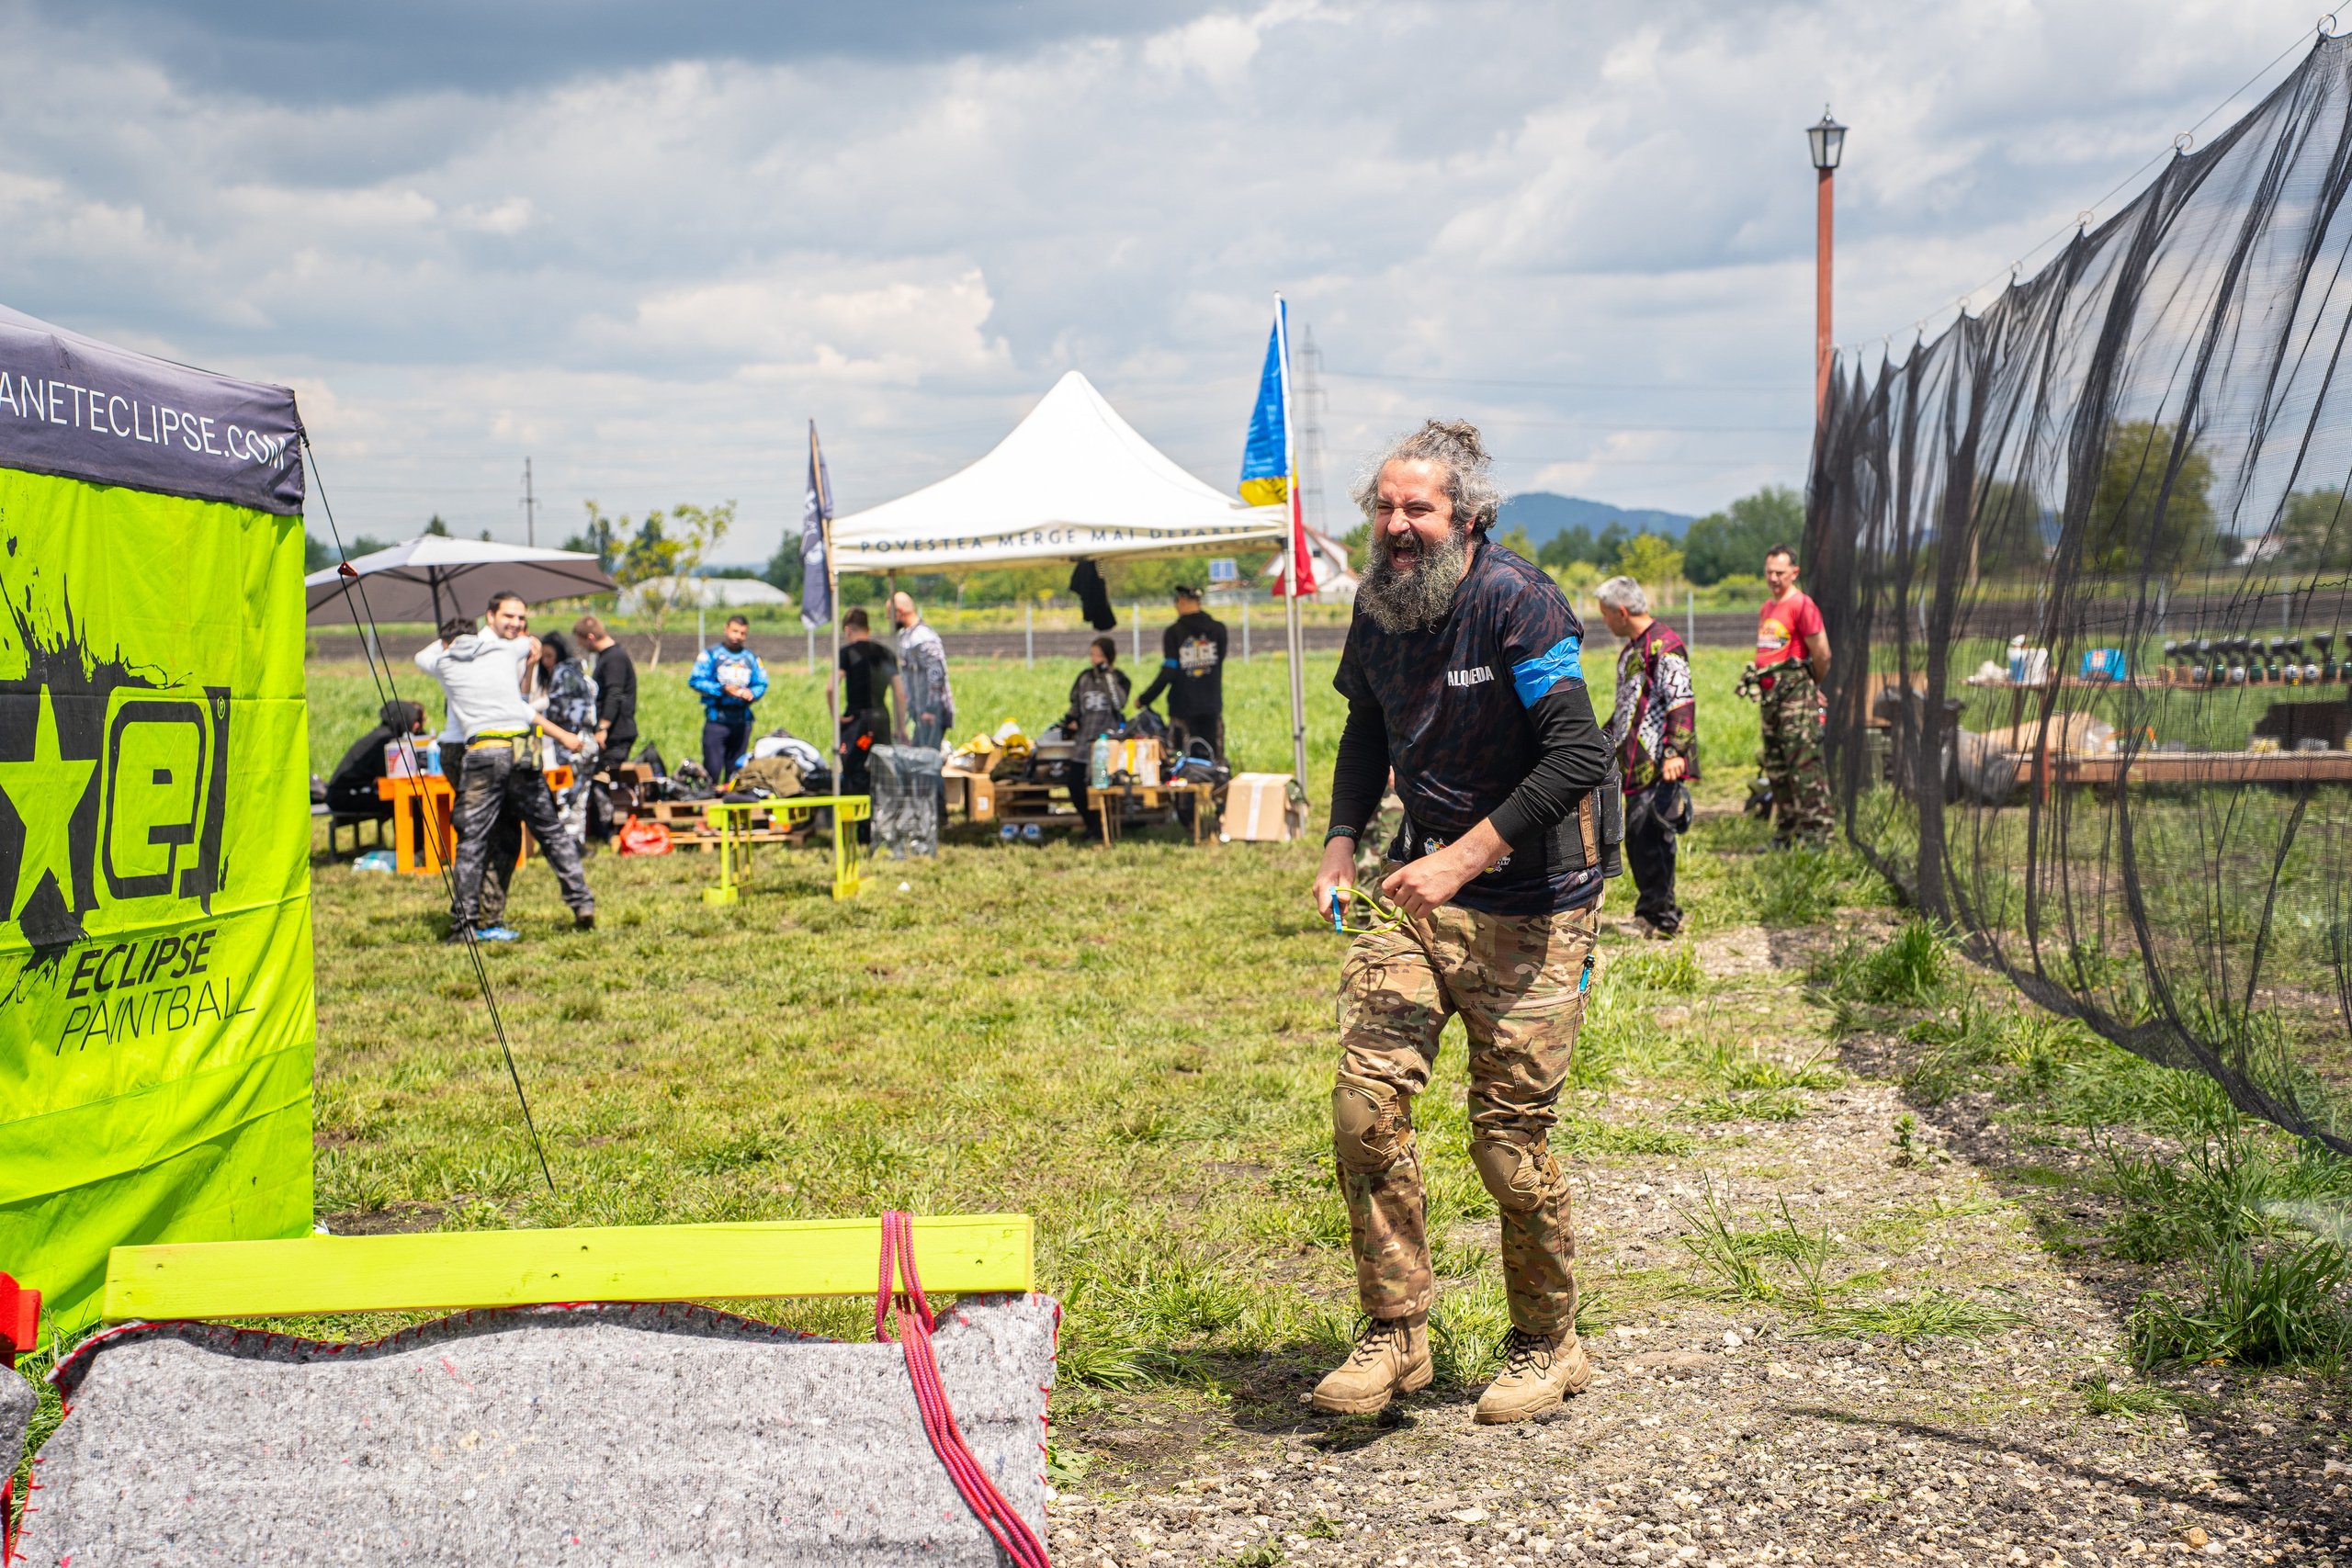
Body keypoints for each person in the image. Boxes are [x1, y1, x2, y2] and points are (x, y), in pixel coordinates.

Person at [1309, 419, 1613, 1427]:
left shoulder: (1517, 601)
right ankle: (1397, 1331)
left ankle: (1548, 1343)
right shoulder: (1379, 606)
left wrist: (1463, 857)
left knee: (1507, 1146)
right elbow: (1364, 728)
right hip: (1418, 899)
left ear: (1468, 518)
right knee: (1364, 1110)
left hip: (1535, 905)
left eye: (1420, 509)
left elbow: (1578, 755)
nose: (1398, 526)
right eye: (1384, 508)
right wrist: (1343, 839)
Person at [415, 595, 594, 943]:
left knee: (472, 840)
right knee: (550, 830)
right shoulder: (504, 650)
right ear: (488, 618)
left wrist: (448, 641)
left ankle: (465, 925)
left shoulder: (445, 662)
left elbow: (422, 657)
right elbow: (528, 649)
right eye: (510, 616)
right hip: (520, 746)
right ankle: (582, 900)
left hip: (483, 750)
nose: (516, 623)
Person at [1597, 576, 1697, 938]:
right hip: (1635, 764)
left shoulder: (1666, 645)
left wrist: (1674, 753)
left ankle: (1661, 919)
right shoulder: (1633, 649)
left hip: (1658, 765)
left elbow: (1681, 701)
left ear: (1622, 612)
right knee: (1639, 838)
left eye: (1606, 614)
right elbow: (1627, 708)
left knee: (1652, 838)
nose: (1604, 621)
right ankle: (1652, 913)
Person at [1751, 544, 1832, 848]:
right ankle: (1787, 833)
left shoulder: (1803, 605)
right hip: (1770, 700)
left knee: (1804, 767)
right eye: (1769, 572)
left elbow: (1822, 654)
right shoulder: (1767, 608)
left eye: (1780, 573)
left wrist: (1810, 686)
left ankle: (1818, 837)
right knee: (1777, 767)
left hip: (1795, 699)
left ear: (1794, 572)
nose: (1773, 578)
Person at [1135, 584, 1229, 759]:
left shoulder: (1174, 632)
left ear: (1182, 601)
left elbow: (1169, 671)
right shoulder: (1218, 630)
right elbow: (1219, 661)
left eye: (1176, 602)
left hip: (1183, 710)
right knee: (1213, 761)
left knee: (1183, 762)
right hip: (1211, 707)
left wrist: (1145, 698)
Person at [829, 606, 898, 837]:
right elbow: (900, 692)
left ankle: (859, 828)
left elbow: (831, 688)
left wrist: (837, 717)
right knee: (883, 769)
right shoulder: (885, 652)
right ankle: (884, 825)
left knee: (854, 769)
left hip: (858, 722)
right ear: (868, 627)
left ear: (847, 629)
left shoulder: (847, 653)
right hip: (881, 719)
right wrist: (900, 727)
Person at [574, 615, 639, 840]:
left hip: (615, 733)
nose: (582, 647)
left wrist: (602, 728)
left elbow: (614, 694)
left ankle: (611, 832)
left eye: (582, 642)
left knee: (603, 781)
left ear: (591, 637)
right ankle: (606, 830)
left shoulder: (614, 659)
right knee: (601, 780)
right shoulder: (609, 657)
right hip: (612, 732)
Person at [532, 629, 599, 846]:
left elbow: (555, 708)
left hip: (571, 744)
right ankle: (577, 842)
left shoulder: (563, 674)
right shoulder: (577, 673)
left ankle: (568, 845)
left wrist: (533, 711)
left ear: (559, 654)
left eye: (549, 656)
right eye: (543, 657)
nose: (546, 662)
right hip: (587, 741)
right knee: (579, 796)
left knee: (566, 796)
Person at [690, 615, 768, 785]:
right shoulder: (711, 655)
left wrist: (751, 693)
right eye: (735, 631)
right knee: (712, 772)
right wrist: (722, 689)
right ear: (726, 629)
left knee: (736, 774)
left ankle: (732, 801)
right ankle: (710, 799)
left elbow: (762, 683)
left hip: (742, 722)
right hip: (717, 721)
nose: (738, 636)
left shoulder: (751, 658)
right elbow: (695, 681)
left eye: (742, 633)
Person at [325, 700, 426, 819]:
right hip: (344, 796)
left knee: (403, 799)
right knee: (403, 801)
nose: (417, 725)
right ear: (402, 718)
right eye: (414, 720)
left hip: (345, 793)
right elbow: (389, 774)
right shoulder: (384, 740)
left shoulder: (382, 734)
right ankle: (411, 832)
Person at [889, 592, 955, 750]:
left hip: (931, 714)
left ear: (900, 612)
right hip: (920, 713)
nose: (887, 619)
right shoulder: (907, 635)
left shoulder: (923, 637)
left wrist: (931, 710)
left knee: (925, 760)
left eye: (889, 615)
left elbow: (936, 673)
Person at [1058, 636, 1130, 750]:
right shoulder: (1085, 677)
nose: (1094, 659)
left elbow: (1119, 703)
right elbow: (1076, 702)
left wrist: (1105, 674)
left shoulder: (1120, 678)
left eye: (1099, 655)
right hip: (1085, 736)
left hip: (1108, 737)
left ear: (1109, 656)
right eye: (1092, 654)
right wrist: (1071, 720)